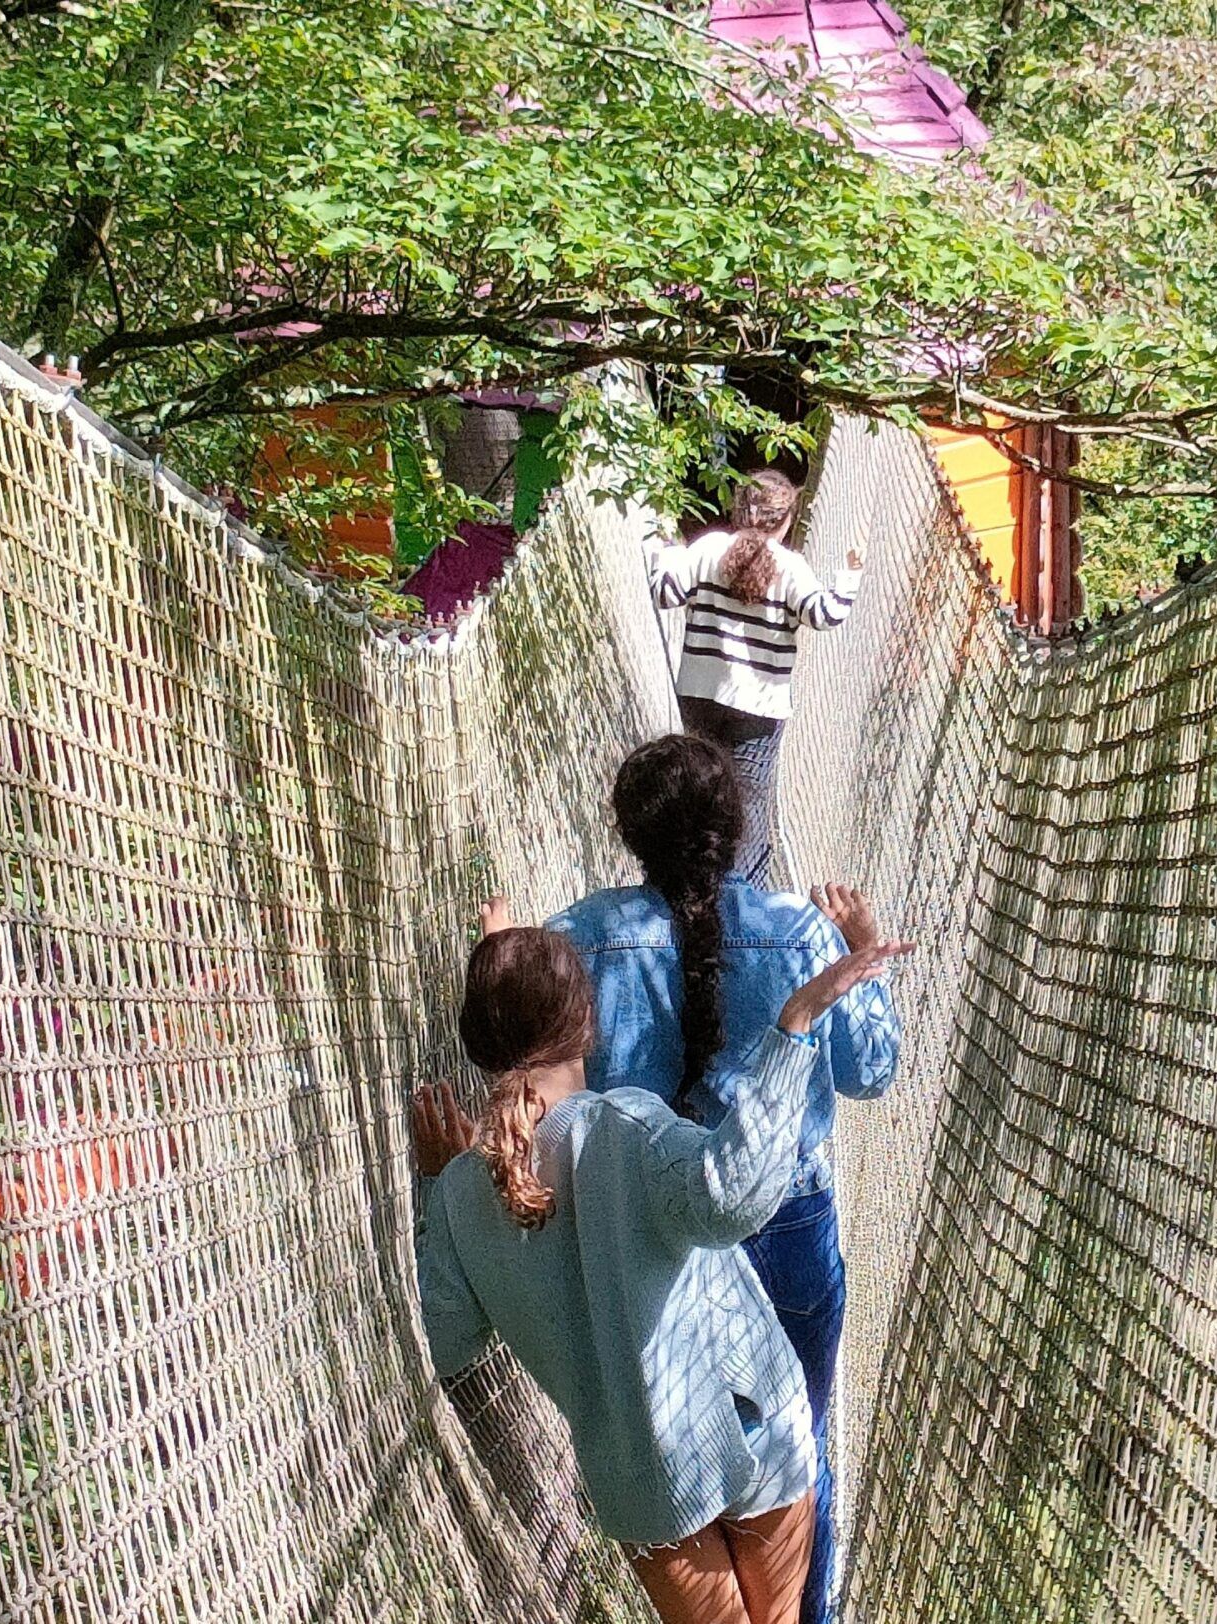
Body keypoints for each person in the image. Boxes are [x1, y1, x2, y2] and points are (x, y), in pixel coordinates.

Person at [412, 904, 911, 1624]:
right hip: (749, 1423)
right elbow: (731, 1197)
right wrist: (794, 1027)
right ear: (588, 1020)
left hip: (643, 1483)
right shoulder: (627, 1126)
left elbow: (451, 1337)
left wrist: (438, 1190)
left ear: (482, 1047)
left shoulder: (462, 1196)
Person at [547, 736, 900, 1624]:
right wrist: (866, 955)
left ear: (629, 831)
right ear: (737, 829)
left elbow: (545, 1078)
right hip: (787, 1232)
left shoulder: (573, 942)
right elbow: (872, 1070)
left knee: (683, 1463)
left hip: (646, 1240)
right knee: (795, 1454)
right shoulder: (803, 932)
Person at [647, 469, 861, 883]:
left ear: (738, 508)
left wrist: (666, 553)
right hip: (760, 707)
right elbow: (824, 614)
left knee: (703, 792)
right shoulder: (791, 567)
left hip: (700, 695)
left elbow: (665, 593)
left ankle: (694, 882)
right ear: (786, 520)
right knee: (750, 804)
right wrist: (848, 576)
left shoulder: (709, 549)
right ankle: (744, 895)